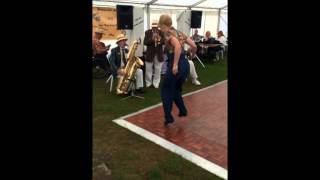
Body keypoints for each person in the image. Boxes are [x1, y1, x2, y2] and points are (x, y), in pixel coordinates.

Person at [158, 14, 197, 125]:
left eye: (161, 26)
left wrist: (175, 65)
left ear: (164, 25)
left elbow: (178, 47)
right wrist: (191, 56)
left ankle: (168, 117)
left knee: (165, 89)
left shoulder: (167, 33)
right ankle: (183, 110)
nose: (160, 29)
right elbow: (194, 46)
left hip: (176, 63)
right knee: (175, 89)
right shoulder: (179, 32)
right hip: (185, 64)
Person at [143, 20, 165, 88]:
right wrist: (152, 39)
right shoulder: (147, 32)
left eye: (156, 27)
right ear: (151, 26)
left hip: (158, 54)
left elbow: (164, 42)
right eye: (153, 27)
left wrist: (159, 39)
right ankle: (148, 83)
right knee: (148, 69)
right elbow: (145, 42)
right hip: (150, 54)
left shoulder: (161, 32)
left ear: (158, 27)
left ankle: (156, 83)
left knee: (158, 69)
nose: (155, 28)